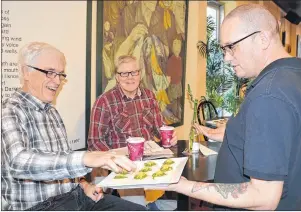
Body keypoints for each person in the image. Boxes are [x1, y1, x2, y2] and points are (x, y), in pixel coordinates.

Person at [147, 4, 301, 210]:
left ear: (263, 39)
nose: (227, 58)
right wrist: (239, 135)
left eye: (232, 47)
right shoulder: (292, 75)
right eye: (224, 49)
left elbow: (263, 198)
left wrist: (183, 185)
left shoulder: (268, 95)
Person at [1, 42, 146, 211]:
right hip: (41, 206)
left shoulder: (51, 112)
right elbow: (19, 163)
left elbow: (62, 166)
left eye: (60, 74)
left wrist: (84, 186)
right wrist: (86, 158)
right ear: (26, 72)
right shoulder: (9, 111)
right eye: (50, 73)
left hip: (75, 197)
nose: (57, 81)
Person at [88, 55, 177, 209]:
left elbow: (159, 126)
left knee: (177, 193)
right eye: (124, 73)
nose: (130, 78)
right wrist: (114, 161)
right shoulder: (104, 102)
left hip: (149, 163)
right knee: (138, 207)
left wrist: (170, 135)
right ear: (117, 77)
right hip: (122, 169)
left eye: (134, 72)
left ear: (140, 74)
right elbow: (94, 142)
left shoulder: (149, 96)